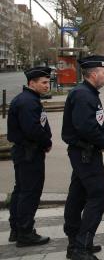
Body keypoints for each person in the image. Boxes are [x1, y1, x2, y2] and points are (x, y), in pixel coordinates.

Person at [62, 56, 104, 260]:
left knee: (77, 195)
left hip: (84, 153)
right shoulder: (83, 95)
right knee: (98, 195)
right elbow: (85, 126)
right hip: (86, 153)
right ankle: (81, 247)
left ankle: (75, 242)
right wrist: (103, 142)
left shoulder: (86, 92)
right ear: (93, 74)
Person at [7, 66, 53, 247]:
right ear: (31, 83)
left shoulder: (28, 99)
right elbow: (33, 129)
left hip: (25, 152)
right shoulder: (28, 102)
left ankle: (17, 229)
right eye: (43, 82)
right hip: (29, 153)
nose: (47, 85)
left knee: (21, 190)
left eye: (48, 82)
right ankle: (25, 232)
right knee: (29, 192)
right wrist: (46, 142)